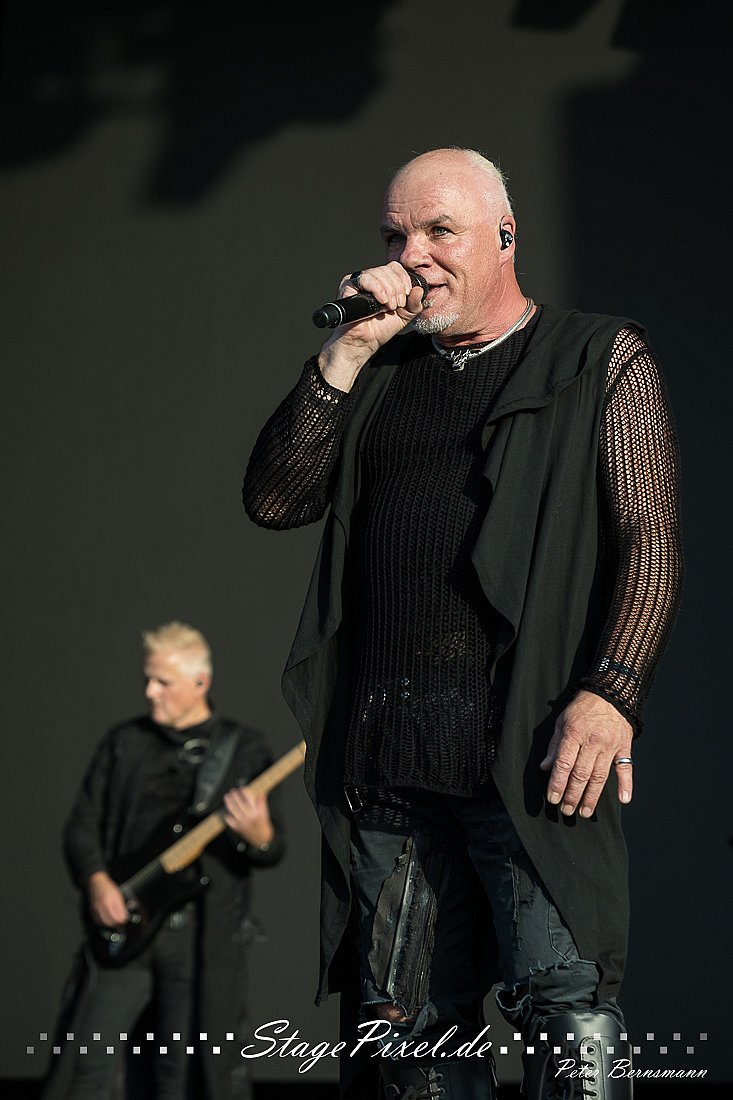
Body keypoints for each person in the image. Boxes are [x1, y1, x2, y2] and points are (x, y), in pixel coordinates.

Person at [242, 148, 682, 1100]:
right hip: (389, 763)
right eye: (395, 235)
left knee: (566, 1014)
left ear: (504, 236)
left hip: (528, 754)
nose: (413, 255)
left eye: (440, 230)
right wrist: (346, 353)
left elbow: (647, 540)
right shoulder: (381, 371)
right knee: (407, 1039)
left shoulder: (595, 357)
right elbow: (275, 502)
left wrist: (611, 693)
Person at [43, 621, 285, 1100]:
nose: (150, 692)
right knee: (88, 1063)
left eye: (163, 682)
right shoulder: (125, 741)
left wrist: (258, 834)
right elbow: (81, 824)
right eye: (147, 679)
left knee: (180, 1072)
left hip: (197, 937)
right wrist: (97, 882)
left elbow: (272, 848)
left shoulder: (242, 748)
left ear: (200, 682)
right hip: (125, 924)